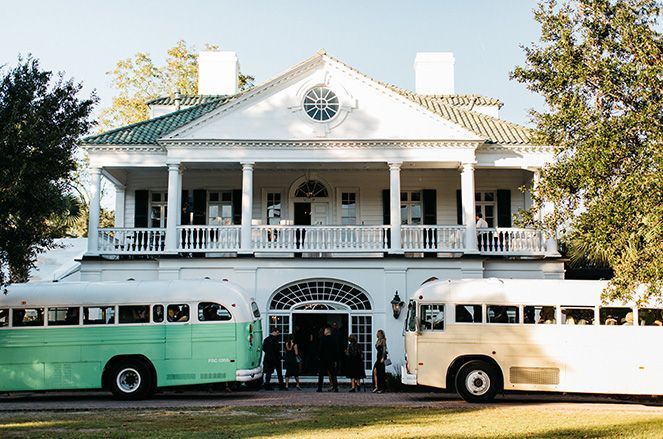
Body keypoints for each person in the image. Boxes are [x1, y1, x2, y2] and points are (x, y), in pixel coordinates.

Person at [316, 327, 338, 392]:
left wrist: (319, 357)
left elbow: (320, 349)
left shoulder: (322, 339)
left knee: (321, 374)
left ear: (328, 332)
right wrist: (335, 359)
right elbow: (336, 350)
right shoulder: (334, 339)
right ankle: (335, 387)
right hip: (331, 359)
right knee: (333, 374)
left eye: (325, 331)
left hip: (323, 359)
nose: (324, 332)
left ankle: (320, 388)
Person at [372, 329, 387, 393]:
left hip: (381, 357)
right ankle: (376, 386)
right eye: (377, 333)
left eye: (379, 333)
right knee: (375, 371)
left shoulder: (383, 341)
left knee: (381, 373)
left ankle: (381, 388)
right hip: (378, 357)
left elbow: (384, 349)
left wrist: (383, 358)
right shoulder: (378, 340)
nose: (377, 334)